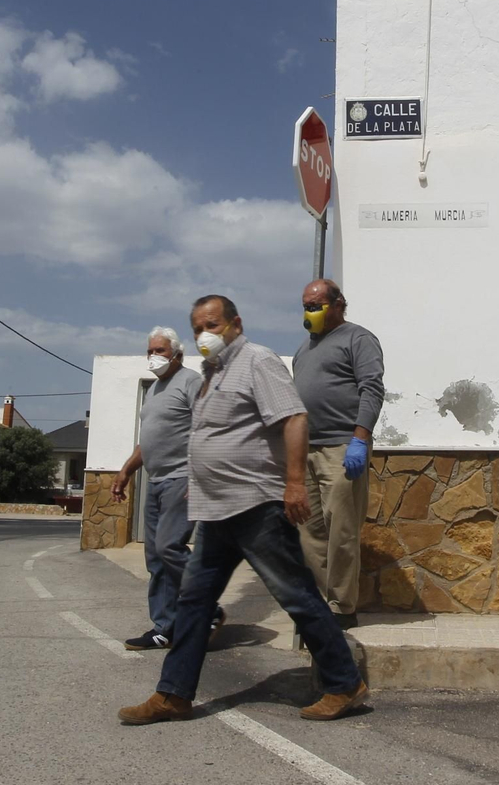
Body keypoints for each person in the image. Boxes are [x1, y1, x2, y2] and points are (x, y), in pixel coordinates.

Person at [118, 295, 367, 726]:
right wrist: (197, 489)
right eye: (197, 328)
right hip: (217, 511)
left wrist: (293, 483)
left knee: (297, 596)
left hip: (256, 505)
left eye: (212, 324)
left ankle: (345, 683)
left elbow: (293, 419)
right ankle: (173, 695)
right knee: (194, 603)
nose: (203, 335)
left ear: (235, 323)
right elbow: (211, 438)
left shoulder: (257, 360)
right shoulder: (210, 374)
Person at [110, 327, 224, 651]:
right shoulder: (155, 390)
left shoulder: (190, 381)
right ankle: (164, 628)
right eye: (150, 350)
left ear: (177, 354)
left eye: (160, 351)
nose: (153, 356)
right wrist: (125, 471)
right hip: (157, 480)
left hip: (182, 477)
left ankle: (209, 608)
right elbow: (148, 441)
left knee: (169, 548)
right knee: (156, 557)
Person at [292, 278, 384, 629]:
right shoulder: (304, 349)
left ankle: (343, 609)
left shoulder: (358, 339)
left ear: (338, 304)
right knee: (310, 532)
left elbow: (372, 388)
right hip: (308, 452)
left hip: (342, 449)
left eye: (315, 305)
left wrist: (360, 438)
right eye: (306, 305)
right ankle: (322, 605)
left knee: (341, 532)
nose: (309, 311)